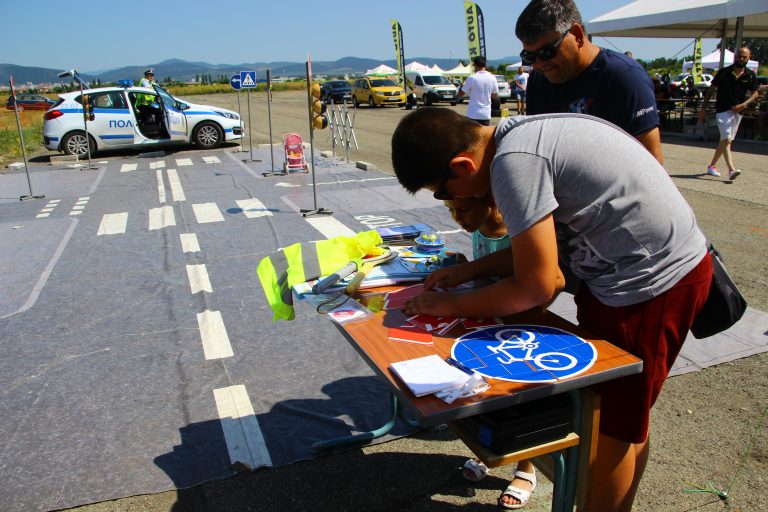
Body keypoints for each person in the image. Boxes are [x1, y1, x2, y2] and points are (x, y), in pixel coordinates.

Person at [390, 107, 712, 512]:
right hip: (632, 278)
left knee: (611, 429)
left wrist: (449, 305)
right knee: (623, 421)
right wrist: (471, 271)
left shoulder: (513, 165)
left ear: (462, 165)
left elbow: (537, 284)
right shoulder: (517, 138)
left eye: (442, 192)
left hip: (649, 286)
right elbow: (534, 254)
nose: (449, 201)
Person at [443, 194, 545, 509]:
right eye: (451, 211)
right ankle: (488, 451)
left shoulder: (518, 233)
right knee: (486, 393)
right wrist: (465, 268)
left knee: (522, 400)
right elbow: (483, 275)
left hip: (521, 331)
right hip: (487, 325)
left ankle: (526, 468)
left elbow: (533, 282)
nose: (458, 218)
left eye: (463, 209)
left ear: (491, 201)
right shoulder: (479, 228)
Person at [515, 0, 663, 164]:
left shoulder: (624, 78)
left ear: (577, 36)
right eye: (529, 57)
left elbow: (652, 162)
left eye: (547, 52)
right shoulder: (539, 79)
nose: (539, 63)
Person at [698, 47, 760, 180]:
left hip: (738, 112)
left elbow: (755, 93)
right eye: (739, 56)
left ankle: (712, 166)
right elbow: (711, 90)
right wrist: (703, 108)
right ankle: (731, 170)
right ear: (735, 57)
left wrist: (744, 104)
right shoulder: (724, 72)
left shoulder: (750, 75)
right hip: (723, 110)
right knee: (726, 139)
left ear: (749, 57)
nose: (741, 59)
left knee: (725, 141)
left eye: (744, 57)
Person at [458, 55, 499, 126]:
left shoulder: (472, 78)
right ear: (485, 65)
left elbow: (461, 93)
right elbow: (495, 96)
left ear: (475, 65)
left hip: (473, 114)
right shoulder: (493, 78)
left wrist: (460, 89)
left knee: (471, 136)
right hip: (486, 114)